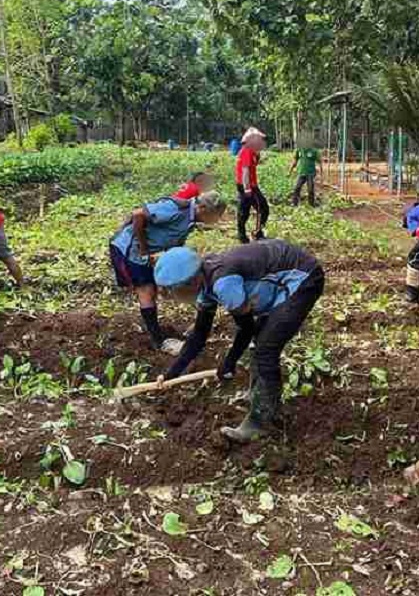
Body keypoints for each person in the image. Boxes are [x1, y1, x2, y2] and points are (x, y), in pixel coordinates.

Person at [153, 239, 325, 442]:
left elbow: (246, 328)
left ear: (189, 282)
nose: (174, 297)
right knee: (260, 344)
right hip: (281, 278)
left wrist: (229, 362)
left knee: (266, 350)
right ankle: (259, 398)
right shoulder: (204, 279)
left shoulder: (223, 284)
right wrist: (171, 374)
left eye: (174, 291)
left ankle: (260, 423)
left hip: (302, 279)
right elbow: (199, 335)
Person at [109, 192, 226, 355]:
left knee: (161, 286)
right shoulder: (175, 209)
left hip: (153, 252)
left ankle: (185, 327)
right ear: (203, 208)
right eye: (215, 215)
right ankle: (158, 341)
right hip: (132, 250)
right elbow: (138, 214)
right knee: (146, 290)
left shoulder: (191, 219)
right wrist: (143, 249)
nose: (216, 220)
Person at [235, 127, 270, 243]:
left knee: (244, 210)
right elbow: (245, 171)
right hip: (248, 186)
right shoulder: (247, 151)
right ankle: (257, 233)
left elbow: (250, 167)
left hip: (245, 185)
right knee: (263, 208)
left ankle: (242, 236)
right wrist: (247, 188)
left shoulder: (248, 151)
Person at [289, 142, 323, 206]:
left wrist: (321, 174)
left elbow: (319, 162)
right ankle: (294, 202)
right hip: (301, 173)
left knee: (310, 189)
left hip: (310, 173)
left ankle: (311, 204)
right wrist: (290, 171)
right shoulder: (299, 150)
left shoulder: (314, 151)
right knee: (297, 188)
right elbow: (295, 161)